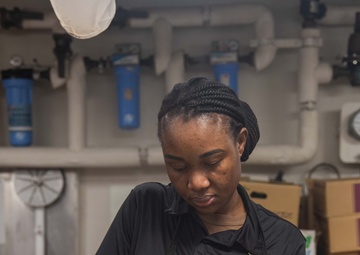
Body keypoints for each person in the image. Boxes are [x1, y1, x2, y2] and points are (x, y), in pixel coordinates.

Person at [96, 77, 305, 255]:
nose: (197, 183)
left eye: (212, 162)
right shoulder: (145, 207)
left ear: (240, 143)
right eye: (178, 167)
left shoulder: (281, 241)